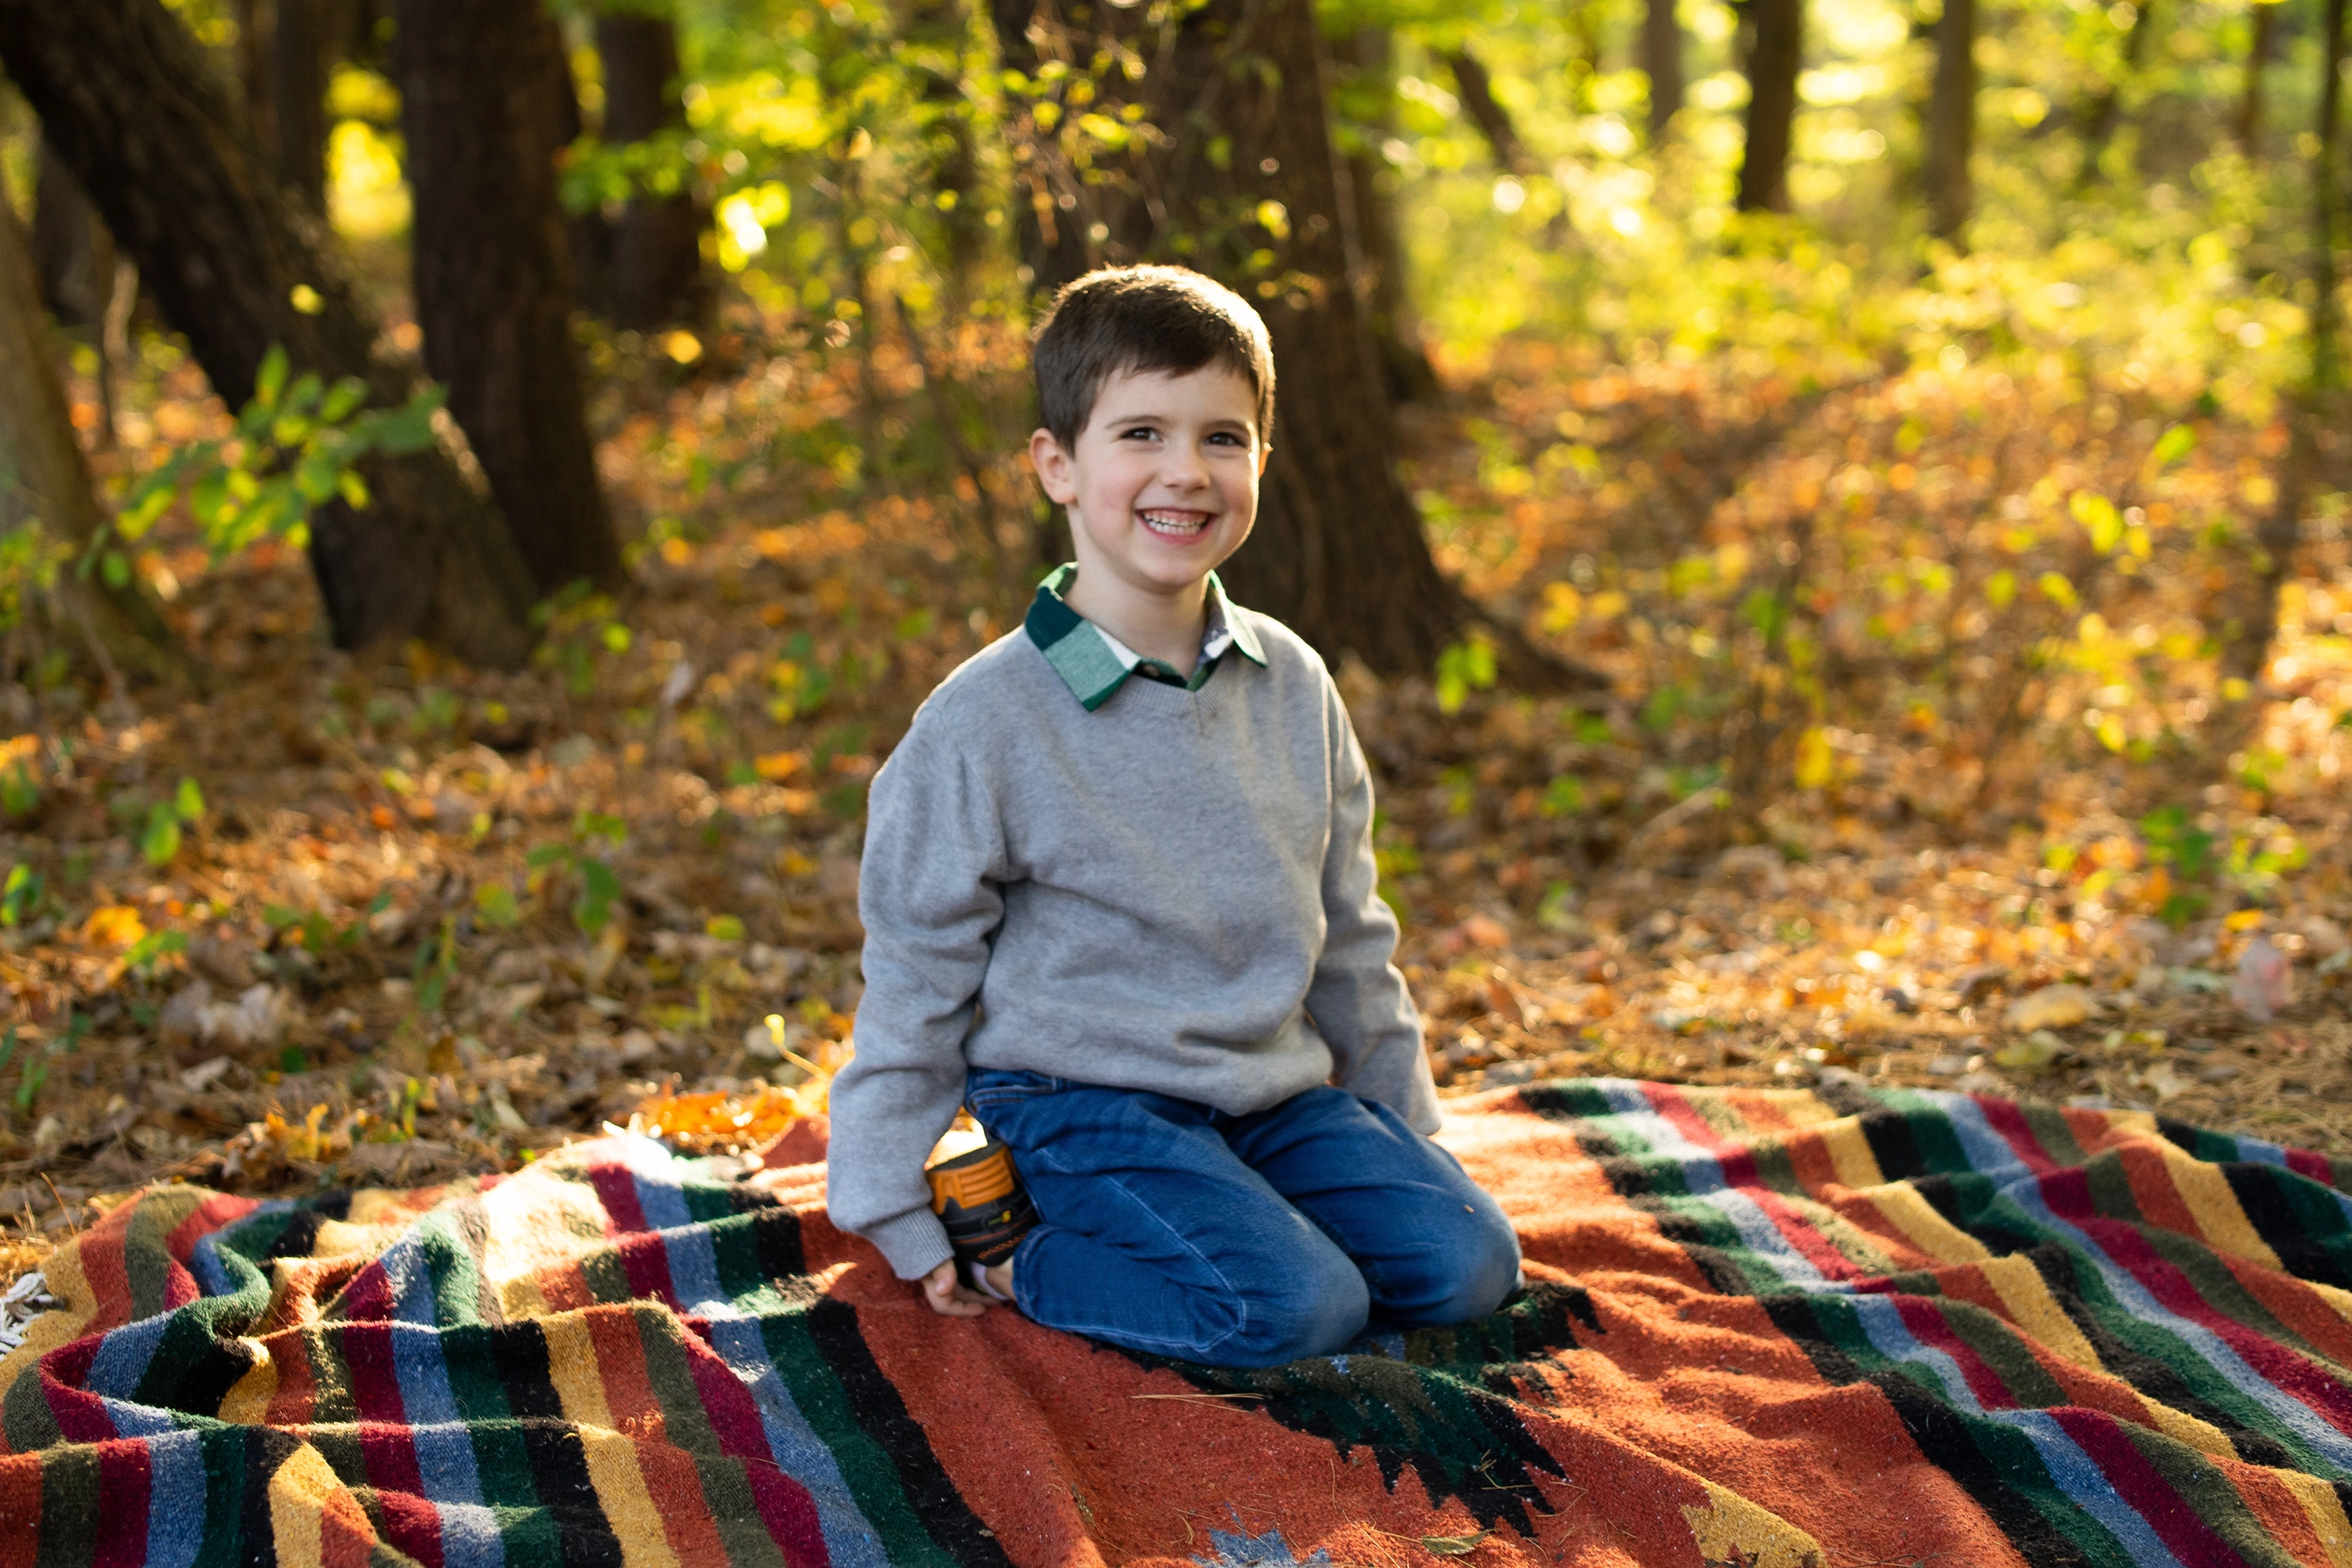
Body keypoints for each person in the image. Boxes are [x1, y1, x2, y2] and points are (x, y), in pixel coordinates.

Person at [824, 263, 1521, 1368]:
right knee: (1293, 1309)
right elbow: (916, 971)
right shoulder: (982, 722)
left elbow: (1349, 933)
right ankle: (1028, 1255)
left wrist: (1411, 1142)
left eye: (1224, 439)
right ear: (1057, 466)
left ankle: (1247, 1213)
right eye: (1141, 433)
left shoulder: (1292, 681)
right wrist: (887, 1202)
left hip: (1263, 1086)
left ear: (1261, 462)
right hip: (1078, 1100)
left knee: (1468, 1269)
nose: (1186, 473)